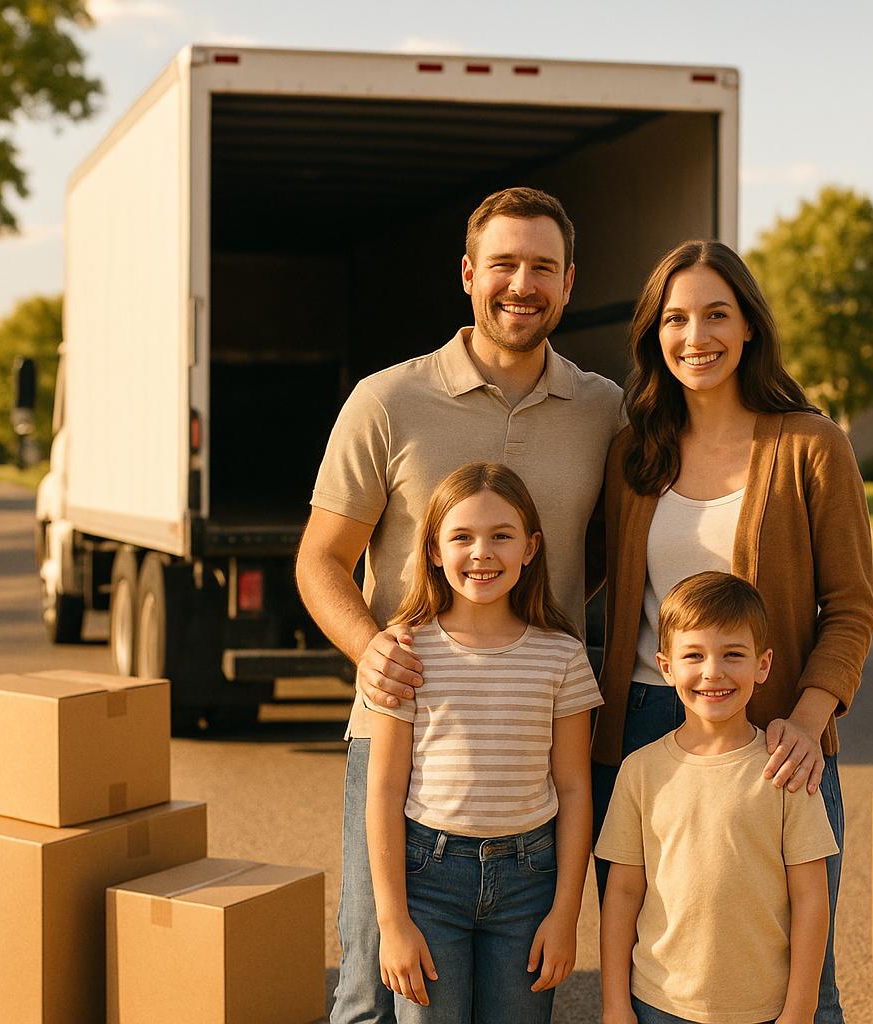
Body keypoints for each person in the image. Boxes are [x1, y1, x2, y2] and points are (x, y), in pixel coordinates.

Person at [296, 187, 624, 1024]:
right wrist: (372, 648)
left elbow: (607, 557)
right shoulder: (387, 400)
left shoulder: (603, 410)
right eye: (505, 264)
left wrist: (526, 635)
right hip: (402, 734)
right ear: (469, 275)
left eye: (542, 267)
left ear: (569, 281)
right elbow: (321, 561)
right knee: (372, 985)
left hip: (531, 740)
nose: (523, 283)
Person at [592, 240, 873, 1023]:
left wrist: (808, 721)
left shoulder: (811, 445)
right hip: (645, 735)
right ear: (655, 335)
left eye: (717, 314)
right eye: (675, 319)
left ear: (750, 326)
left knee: (796, 983)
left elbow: (850, 607)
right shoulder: (633, 455)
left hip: (777, 736)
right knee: (660, 969)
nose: (697, 336)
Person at [366, 462, 600, 1023]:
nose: (481, 553)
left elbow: (573, 788)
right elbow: (384, 788)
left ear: (531, 547)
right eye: (462, 537)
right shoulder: (408, 653)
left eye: (501, 536)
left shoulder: (561, 656)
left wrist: (565, 914)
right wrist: (393, 921)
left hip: (528, 884)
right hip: (428, 881)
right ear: (432, 549)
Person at [597, 571, 837, 1024]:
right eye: (694, 655)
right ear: (666, 667)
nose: (713, 672)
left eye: (733, 654)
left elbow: (810, 898)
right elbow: (623, 892)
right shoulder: (640, 772)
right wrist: (615, 1004)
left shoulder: (785, 771)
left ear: (762, 665)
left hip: (762, 1009)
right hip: (659, 1002)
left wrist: (800, 1010)